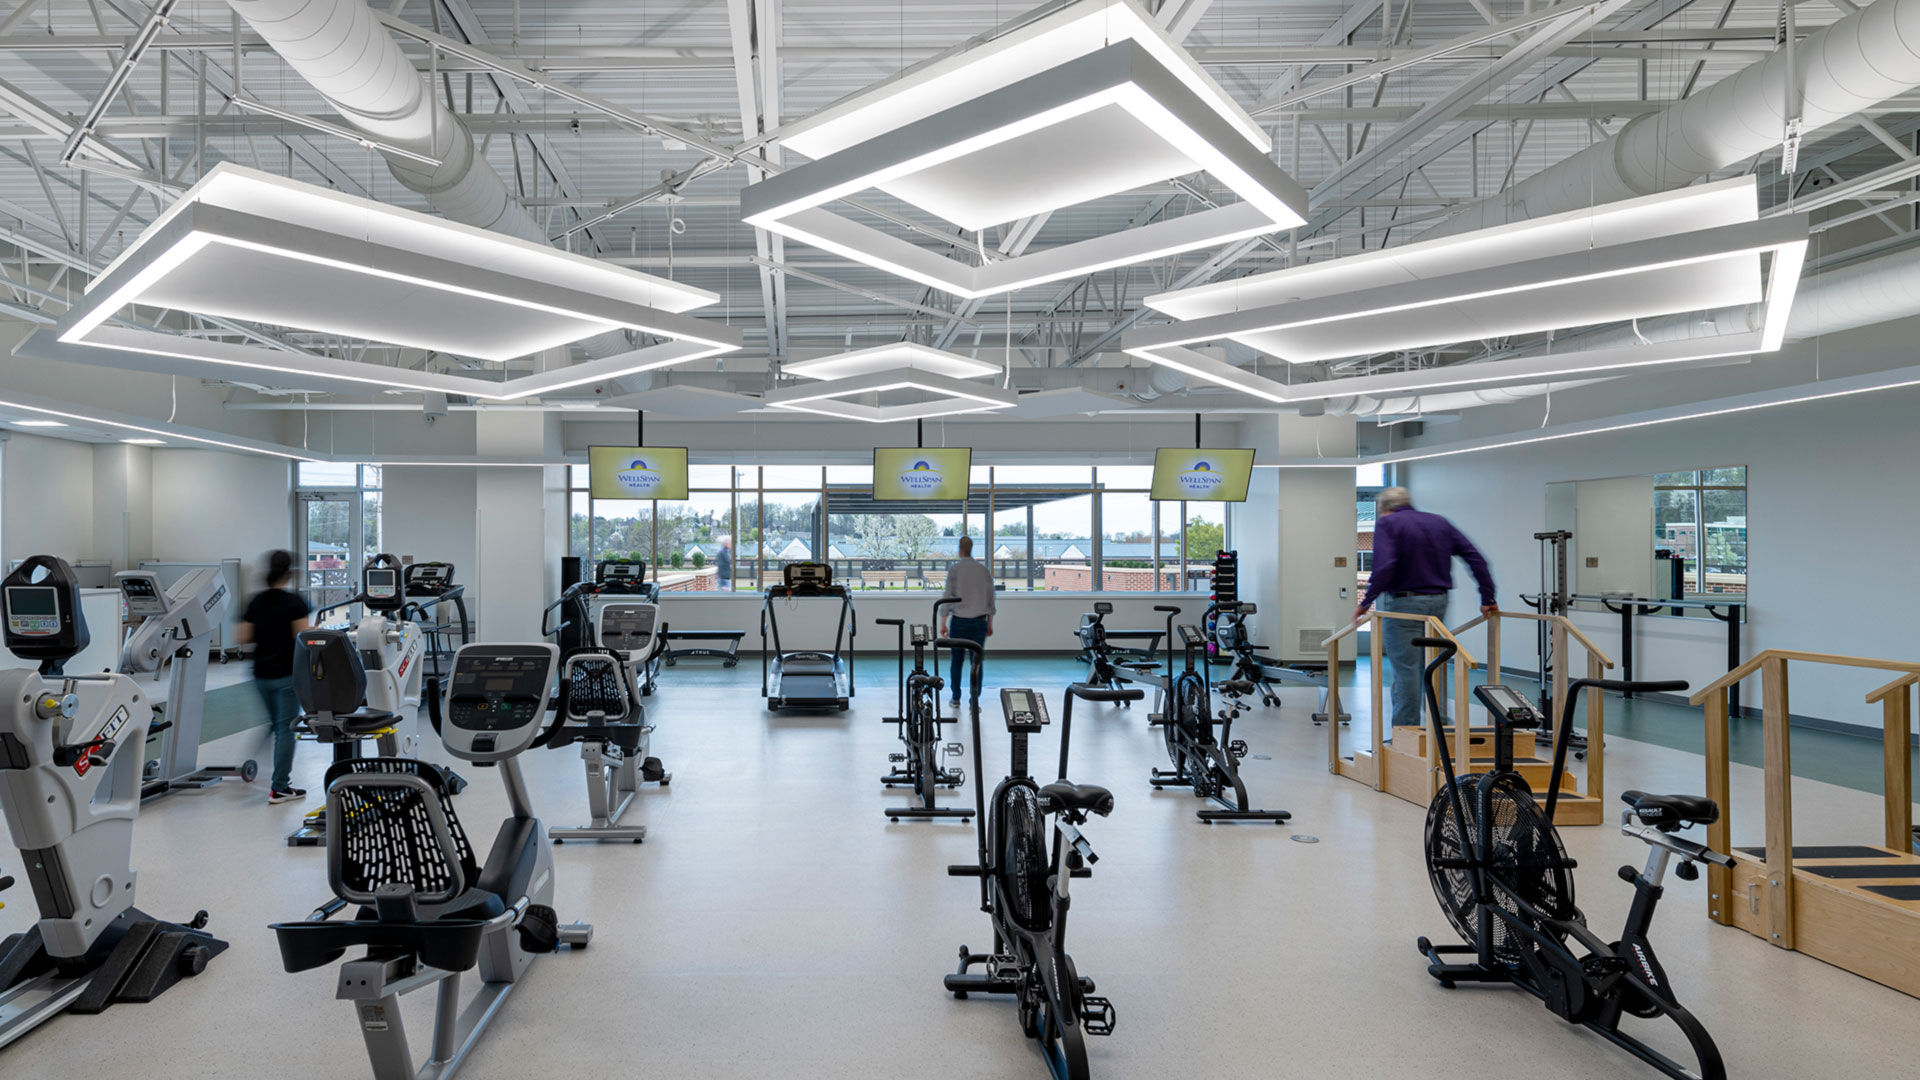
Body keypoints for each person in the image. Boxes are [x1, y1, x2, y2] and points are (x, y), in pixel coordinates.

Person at [1353, 487, 1497, 734]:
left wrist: (1366, 602)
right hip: (1438, 603)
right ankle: (1438, 727)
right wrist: (1487, 597)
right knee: (1434, 663)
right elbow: (1476, 559)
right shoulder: (1439, 523)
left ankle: (1405, 735)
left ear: (1384, 509)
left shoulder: (1389, 524)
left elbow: (1385, 567)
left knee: (1406, 669)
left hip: (1404, 605)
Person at [238, 550, 312, 804]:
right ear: (290, 573)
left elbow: (243, 637)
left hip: (261, 675)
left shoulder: (255, 601)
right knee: (285, 729)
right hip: (286, 675)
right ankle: (280, 787)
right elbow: (302, 637)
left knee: (274, 724)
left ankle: (250, 765)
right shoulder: (295, 603)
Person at [939, 536, 996, 709]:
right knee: (976, 661)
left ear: (960, 549)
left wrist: (943, 622)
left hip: (959, 622)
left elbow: (948, 596)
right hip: (980, 622)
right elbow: (991, 598)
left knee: (956, 660)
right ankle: (975, 701)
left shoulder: (955, 570)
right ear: (971, 548)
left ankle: (956, 698)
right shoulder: (983, 570)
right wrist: (990, 622)